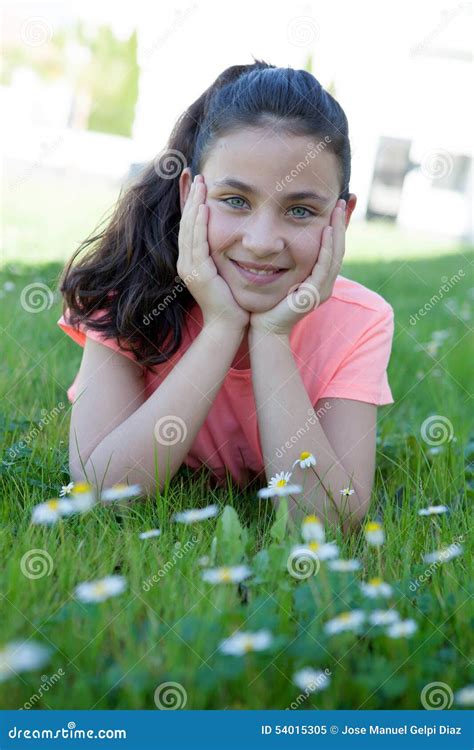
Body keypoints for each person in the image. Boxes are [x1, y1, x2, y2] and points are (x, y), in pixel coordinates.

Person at [57, 59, 394, 527]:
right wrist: (221, 325)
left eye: (300, 211)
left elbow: (328, 521)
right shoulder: (130, 291)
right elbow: (104, 493)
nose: (261, 242)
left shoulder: (361, 321)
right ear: (189, 194)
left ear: (342, 216)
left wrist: (274, 336)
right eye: (236, 201)